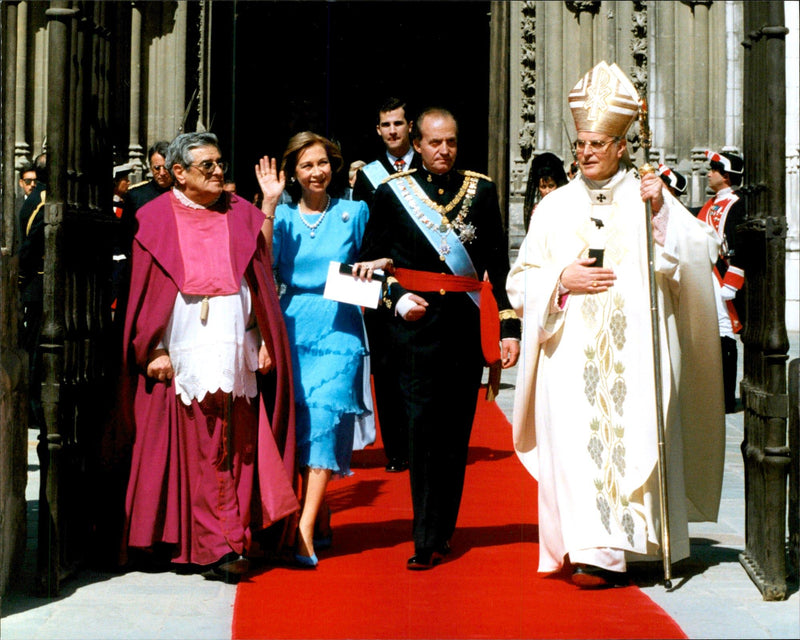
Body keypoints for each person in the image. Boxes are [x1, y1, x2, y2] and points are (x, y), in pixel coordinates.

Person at [507, 61, 725, 589]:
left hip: (638, 352)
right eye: (581, 143)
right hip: (571, 353)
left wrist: (663, 218)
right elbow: (522, 279)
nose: (586, 152)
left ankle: (639, 543)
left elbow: (699, 253)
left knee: (636, 434)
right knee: (579, 444)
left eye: (598, 143)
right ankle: (593, 550)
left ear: (622, 146)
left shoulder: (648, 196)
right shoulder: (554, 206)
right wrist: (561, 278)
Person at [120, 131, 298, 582]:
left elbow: (257, 272)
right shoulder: (153, 217)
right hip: (183, 340)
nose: (219, 172)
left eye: (220, 163)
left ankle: (228, 540)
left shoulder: (241, 213)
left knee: (234, 443)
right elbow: (145, 290)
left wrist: (258, 336)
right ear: (178, 173)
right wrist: (155, 346)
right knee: (199, 444)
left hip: (233, 338)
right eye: (208, 166)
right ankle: (212, 545)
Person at [355, 107, 521, 570]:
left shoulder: (482, 191)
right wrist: (398, 299)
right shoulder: (393, 194)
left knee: (454, 434)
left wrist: (508, 326)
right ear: (417, 142)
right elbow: (369, 266)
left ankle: (443, 528)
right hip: (413, 333)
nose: (443, 150)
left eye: (450, 141)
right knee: (421, 430)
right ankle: (424, 537)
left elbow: (497, 266)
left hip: (464, 329)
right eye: (433, 142)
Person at [255, 132, 373, 568]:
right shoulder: (283, 218)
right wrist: (268, 205)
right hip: (292, 322)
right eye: (306, 166)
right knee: (302, 425)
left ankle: (302, 532)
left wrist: (377, 264)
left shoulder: (354, 212)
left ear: (333, 165)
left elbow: (380, 252)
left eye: (322, 163)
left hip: (341, 323)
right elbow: (263, 261)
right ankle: (320, 517)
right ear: (293, 173)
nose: (316, 172)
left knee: (323, 419)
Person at [352, 97, 422, 473]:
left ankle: (422, 443)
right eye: (386, 125)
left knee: (421, 369)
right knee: (388, 368)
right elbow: (364, 237)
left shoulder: (428, 164)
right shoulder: (369, 176)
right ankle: (397, 450)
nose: (393, 130)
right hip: (383, 285)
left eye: (398, 123)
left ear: (410, 126)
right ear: (378, 130)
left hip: (421, 280)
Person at [697, 149, 746, 413]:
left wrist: (731, 282)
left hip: (723, 275)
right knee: (712, 333)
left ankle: (726, 397)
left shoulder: (736, 204)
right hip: (708, 273)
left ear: (725, 176)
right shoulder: (712, 203)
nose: (709, 173)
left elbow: (738, 246)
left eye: (714, 170)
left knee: (725, 331)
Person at [522, 152, 569, 231]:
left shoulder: (566, 208)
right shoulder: (536, 211)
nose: (547, 191)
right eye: (543, 187)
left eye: (551, 186)